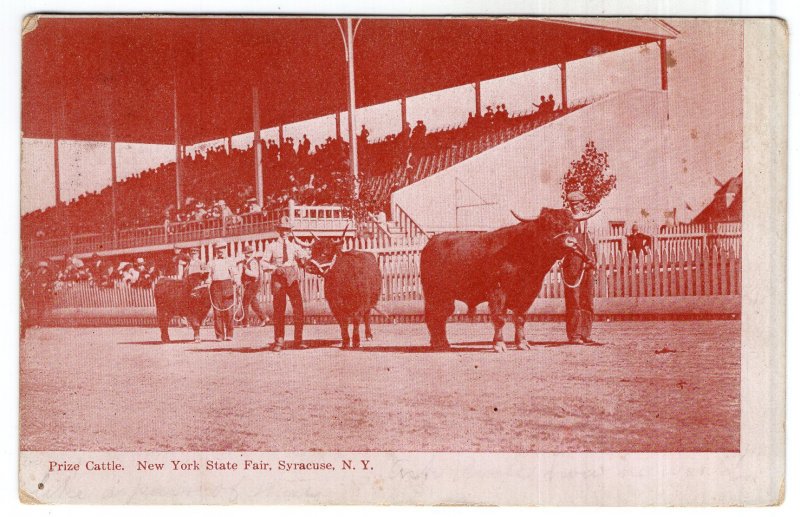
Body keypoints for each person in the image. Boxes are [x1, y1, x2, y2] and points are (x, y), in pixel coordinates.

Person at [262, 216, 310, 351]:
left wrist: (303, 261)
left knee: (298, 309)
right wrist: (275, 268)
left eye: (287, 230)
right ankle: (279, 341)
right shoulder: (271, 246)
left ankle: (298, 340)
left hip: (292, 279)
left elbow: (305, 259)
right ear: (278, 230)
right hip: (278, 279)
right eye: (282, 230)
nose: (284, 233)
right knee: (279, 310)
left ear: (290, 232)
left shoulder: (295, 246)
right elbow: (263, 262)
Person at [562, 190, 598, 345]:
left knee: (587, 299)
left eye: (578, 204)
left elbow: (593, 242)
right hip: (573, 263)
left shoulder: (590, 221)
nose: (576, 206)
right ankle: (574, 335)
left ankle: (585, 333)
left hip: (588, 262)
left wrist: (593, 259)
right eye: (573, 204)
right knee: (574, 299)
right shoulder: (566, 221)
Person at [207, 239, 241, 341]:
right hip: (215, 287)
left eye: (222, 248)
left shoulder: (230, 261)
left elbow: (235, 273)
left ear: (225, 249)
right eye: (218, 249)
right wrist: (208, 283)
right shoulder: (211, 263)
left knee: (229, 311)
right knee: (217, 312)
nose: (220, 251)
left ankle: (229, 334)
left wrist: (237, 282)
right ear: (215, 250)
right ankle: (219, 335)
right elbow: (209, 276)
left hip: (227, 285)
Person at [239, 244, 268, 327]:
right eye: (246, 253)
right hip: (250, 284)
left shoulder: (253, 262)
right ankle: (264, 318)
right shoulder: (248, 261)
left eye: (249, 253)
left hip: (252, 284)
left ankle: (245, 322)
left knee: (245, 303)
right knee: (253, 302)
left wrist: (246, 270)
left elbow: (255, 274)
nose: (247, 255)